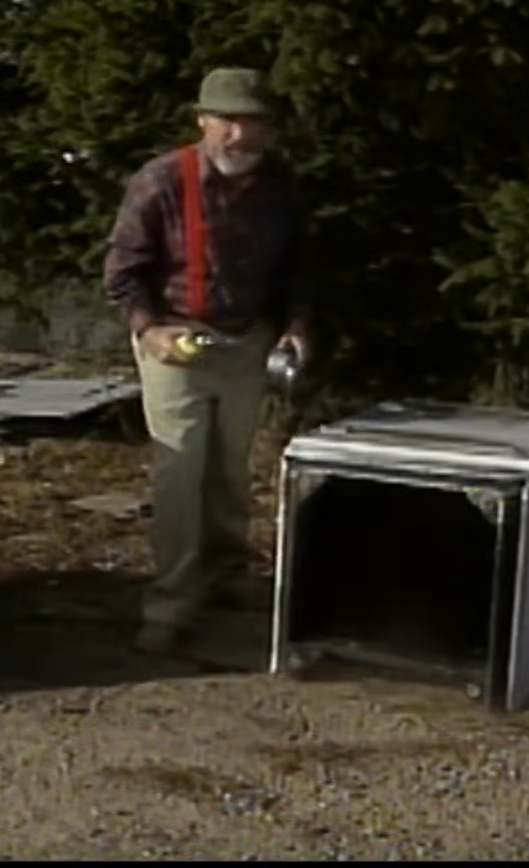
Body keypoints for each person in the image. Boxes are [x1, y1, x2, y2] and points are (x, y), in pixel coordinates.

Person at [102, 67, 313, 656]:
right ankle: (171, 603)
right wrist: (150, 332)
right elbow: (121, 272)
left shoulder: (280, 185)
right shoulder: (162, 181)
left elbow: (300, 265)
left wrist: (296, 324)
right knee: (180, 474)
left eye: (253, 122)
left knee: (231, 469)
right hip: (177, 343)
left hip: (248, 343)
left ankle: (226, 574)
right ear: (202, 121)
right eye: (228, 121)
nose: (240, 135)